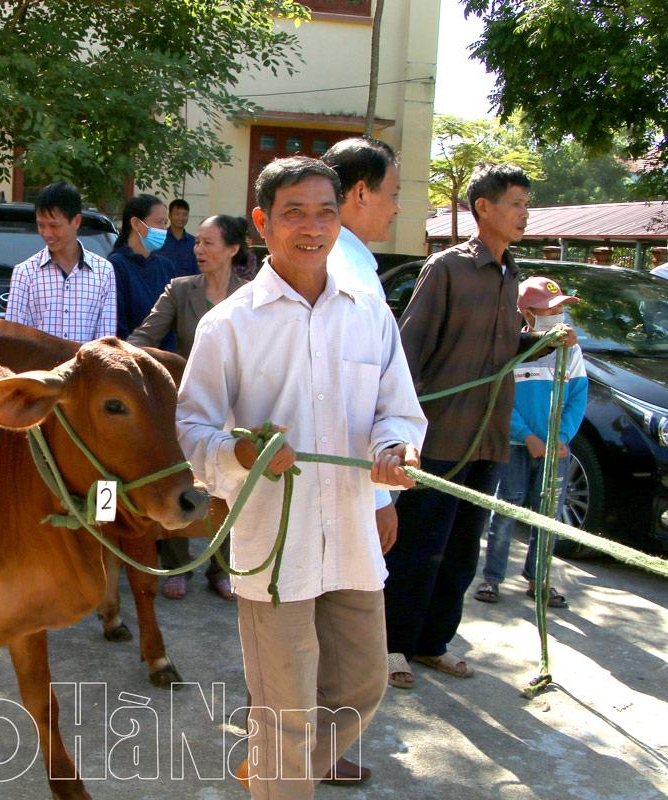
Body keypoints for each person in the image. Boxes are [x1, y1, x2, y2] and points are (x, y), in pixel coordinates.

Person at [177, 156, 425, 797]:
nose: (312, 228)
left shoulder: (370, 312)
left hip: (350, 537)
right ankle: (279, 775)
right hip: (274, 550)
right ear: (262, 223)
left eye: (326, 212)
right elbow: (194, 433)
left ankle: (273, 772)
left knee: (362, 687)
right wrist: (241, 453)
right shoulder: (227, 324)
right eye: (294, 213)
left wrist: (397, 448)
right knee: (285, 712)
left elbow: (398, 409)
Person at [382, 164, 576, 690]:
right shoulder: (446, 269)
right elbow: (410, 348)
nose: (524, 213)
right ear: (482, 208)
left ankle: (432, 644)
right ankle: (392, 645)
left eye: (526, 204)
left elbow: (496, 352)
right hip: (441, 436)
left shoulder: (513, 273)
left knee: (464, 548)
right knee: (419, 544)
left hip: (490, 439)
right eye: (515, 202)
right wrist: (401, 431)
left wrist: (539, 344)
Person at [130, 214, 249, 602]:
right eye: (198, 242)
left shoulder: (252, 295)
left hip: (237, 405)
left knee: (231, 485)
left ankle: (222, 567)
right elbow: (145, 336)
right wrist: (116, 359)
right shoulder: (180, 290)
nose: (199, 249)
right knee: (185, 480)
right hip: (186, 404)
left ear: (232, 248)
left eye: (210, 243)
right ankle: (177, 564)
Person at [476, 277, 588, 608]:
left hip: (557, 450)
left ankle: (539, 579)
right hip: (515, 446)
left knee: (548, 513)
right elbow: (500, 400)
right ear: (526, 313)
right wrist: (526, 436)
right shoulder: (513, 348)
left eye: (561, 308)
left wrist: (561, 438)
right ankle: (492, 578)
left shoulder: (572, 351)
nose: (558, 315)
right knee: (506, 508)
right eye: (549, 309)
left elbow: (578, 396)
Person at [322, 137, 404, 568]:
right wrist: (379, 497)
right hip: (341, 486)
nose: (396, 208)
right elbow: (354, 397)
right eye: (392, 194)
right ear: (359, 193)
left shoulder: (337, 264)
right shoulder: (350, 277)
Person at [4, 182, 116, 341]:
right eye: (41, 225)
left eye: (54, 225)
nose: (47, 233)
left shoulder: (104, 272)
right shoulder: (25, 273)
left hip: (85, 366)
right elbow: (13, 340)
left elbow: (105, 342)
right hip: (38, 366)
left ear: (76, 221)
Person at [109, 194, 177, 341]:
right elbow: (117, 322)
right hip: (130, 353)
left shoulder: (165, 267)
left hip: (164, 358)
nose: (164, 229)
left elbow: (172, 322)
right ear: (136, 223)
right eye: (159, 222)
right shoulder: (116, 266)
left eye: (165, 223)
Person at [158, 198, 199, 277]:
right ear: (169, 215)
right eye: (177, 214)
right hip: (162, 287)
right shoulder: (159, 239)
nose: (181, 218)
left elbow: (197, 271)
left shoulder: (194, 243)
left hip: (186, 287)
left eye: (184, 214)